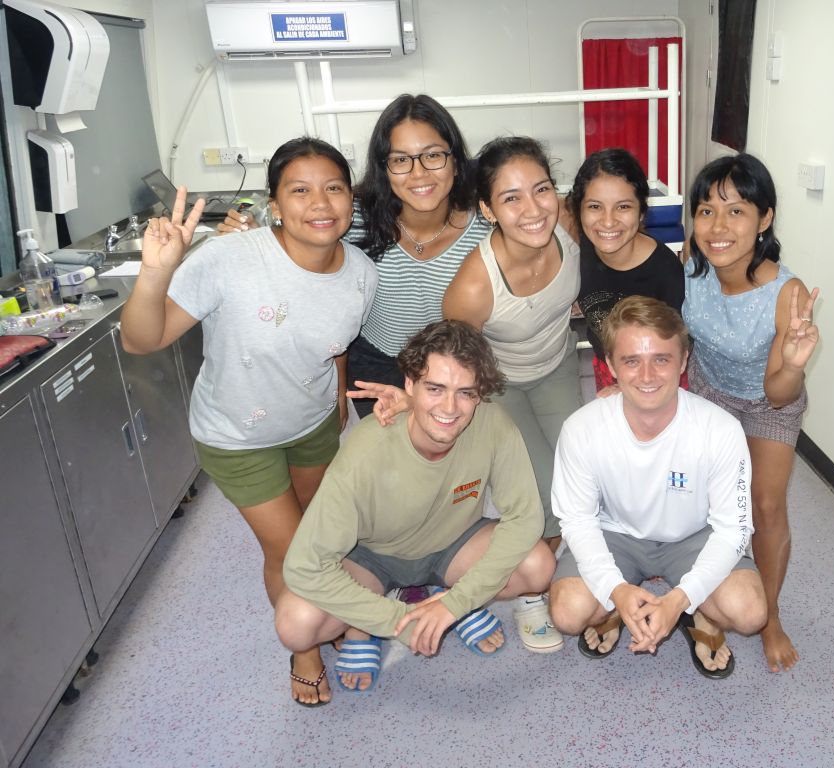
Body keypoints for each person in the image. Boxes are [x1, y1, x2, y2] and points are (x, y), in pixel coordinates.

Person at [120, 137, 378, 705]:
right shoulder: (228, 259)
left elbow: (336, 344)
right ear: (275, 204)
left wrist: (336, 400)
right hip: (238, 437)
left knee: (327, 534)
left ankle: (332, 614)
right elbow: (143, 338)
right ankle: (304, 648)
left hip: (313, 426)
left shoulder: (360, 271)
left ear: (351, 198)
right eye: (300, 190)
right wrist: (155, 272)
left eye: (334, 187)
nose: (320, 203)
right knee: (290, 551)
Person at [274, 320, 556, 692]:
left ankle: (449, 605)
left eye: (466, 393)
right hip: (373, 558)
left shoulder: (495, 427)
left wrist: (456, 603)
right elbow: (304, 567)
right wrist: (401, 622)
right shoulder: (366, 451)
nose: (450, 408)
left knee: (537, 566)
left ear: (480, 394)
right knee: (296, 623)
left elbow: (524, 519)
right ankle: (371, 624)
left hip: (454, 545)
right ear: (409, 385)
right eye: (435, 389)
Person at [218, 94, 490, 419]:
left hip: (451, 368)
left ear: (456, 162)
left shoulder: (485, 224)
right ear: (384, 168)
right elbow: (292, 227)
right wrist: (253, 235)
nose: (419, 173)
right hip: (374, 364)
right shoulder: (354, 218)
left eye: (433, 155)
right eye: (401, 160)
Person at [548, 296, 768, 678]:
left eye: (661, 359)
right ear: (612, 366)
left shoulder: (719, 429)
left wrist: (681, 599)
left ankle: (697, 610)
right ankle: (620, 605)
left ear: (683, 362)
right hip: (615, 534)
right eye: (632, 360)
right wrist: (615, 589)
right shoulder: (582, 429)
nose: (647, 376)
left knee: (749, 613)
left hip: (693, 537)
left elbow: (734, 528)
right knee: (568, 613)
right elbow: (578, 521)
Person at [441, 136, 583, 653]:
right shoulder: (475, 286)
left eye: (541, 189)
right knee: (541, 490)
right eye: (512, 198)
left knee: (583, 470)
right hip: (499, 385)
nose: (533, 208)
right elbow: (458, 362)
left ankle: (578, 568)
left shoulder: (564, 225)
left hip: (558, 364)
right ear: (487, 209)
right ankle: (532, 591)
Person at [680, 153, 820, 673]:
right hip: (709, 388)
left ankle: (772, 614)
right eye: (706, 211)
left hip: (768, 399)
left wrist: (795, 363)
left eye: (736, 212)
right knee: (698, 495)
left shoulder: (788, 294)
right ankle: (701, 592)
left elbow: (779, 392)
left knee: (764, 505)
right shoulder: (691, 267)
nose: (718, 227)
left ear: (765, 219)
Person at [568, 148, 684, 393]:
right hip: (605, 366)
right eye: (595, 206)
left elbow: (678, 347)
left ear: (641, 211)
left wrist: (630, 387)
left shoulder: (665, 271)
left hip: (655, 375)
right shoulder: (582, 247)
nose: (608, 221)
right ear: (579, 210)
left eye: (623, 207)